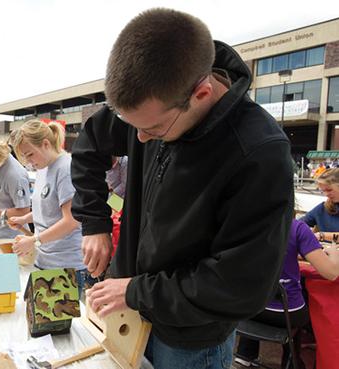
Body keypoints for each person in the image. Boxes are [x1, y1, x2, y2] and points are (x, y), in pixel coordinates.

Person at [70, 8, 294, 369]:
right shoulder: (153, 102)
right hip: (128, 313)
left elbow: (239, 285)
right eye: (132, 125)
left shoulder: (258, 152)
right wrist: (94, 223)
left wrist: (135, 291)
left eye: (153, 130)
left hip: (190, 341)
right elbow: (89, 144)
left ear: (202, 93)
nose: (139, 139)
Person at [235, 218, 339, 368]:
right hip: (285, 314)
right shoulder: (297, 228)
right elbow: (331, 273)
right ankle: (291, 363)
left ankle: (245, 353)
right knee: (300, 306)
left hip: (249, 309)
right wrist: (333, 252)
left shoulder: (247, 223)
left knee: (266, 290)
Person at [8, 120, 93, 292]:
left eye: (30, 154)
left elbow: (71, 220)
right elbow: (50, 207)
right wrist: (26, 218)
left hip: (66, 266)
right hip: (45, 261)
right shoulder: (43, 169)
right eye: (24, 157)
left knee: (59, 318)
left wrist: (33, 240)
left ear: (45, 144)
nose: (28, 161)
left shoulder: (65, 168)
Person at [301, 168, 339, 235]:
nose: (326, 194)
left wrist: (322, 236)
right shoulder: (322, 209)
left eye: (329, 190)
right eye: (323, 191)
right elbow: (298, 224)